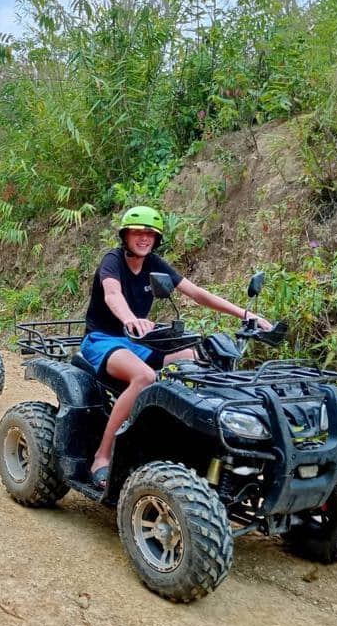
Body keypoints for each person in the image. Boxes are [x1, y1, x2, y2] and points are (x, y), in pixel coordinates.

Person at [82, 206, 272, 489]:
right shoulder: (112, 261)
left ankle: (195, 441)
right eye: (137, 233)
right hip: (103, 339)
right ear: (125, 236)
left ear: (157, 239)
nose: (144, 238)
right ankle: (103, 455)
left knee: (198, 359)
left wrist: (246, 314)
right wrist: (130, 319)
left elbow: (197, 293)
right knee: (144, 376)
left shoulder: (154, 263)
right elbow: (112, 294)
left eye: (150, 234)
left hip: (138, 341)